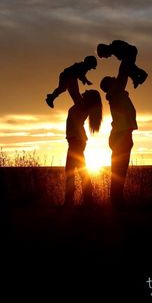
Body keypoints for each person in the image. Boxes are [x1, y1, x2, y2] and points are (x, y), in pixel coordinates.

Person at [100, 57, 139, 208]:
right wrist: (127, 55)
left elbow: (124, 73)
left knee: (120, 170)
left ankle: (117, 200)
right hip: (121, 134)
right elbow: (122, 73)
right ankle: (116, 201)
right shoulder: (115, 92)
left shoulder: (117, 93)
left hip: (122, 134)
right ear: (110, 84)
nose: (115, 78)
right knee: (119, 170)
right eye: (112, 78)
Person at [63, 76, 102, 207]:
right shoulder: (82, 105)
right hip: (76, 141)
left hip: (76, 141)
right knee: (79, 170)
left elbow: (72, 89)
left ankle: (71, 201)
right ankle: (86, 198)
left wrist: (73, 73)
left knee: (71, 171)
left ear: (89, 98)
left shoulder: (81, 105)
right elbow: (73, 89)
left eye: (87, 92)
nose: (84, 91)